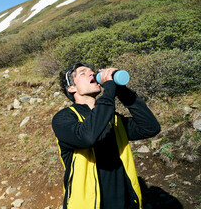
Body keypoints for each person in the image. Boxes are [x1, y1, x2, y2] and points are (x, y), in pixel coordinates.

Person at [52, 62, 161, 209]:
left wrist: (122, 91)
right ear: (71, 88)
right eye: (83, 73)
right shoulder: (64, 118)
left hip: (126, 203)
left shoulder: (112, 119)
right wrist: (108, 90)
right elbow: (87, 137)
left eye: (91, 71)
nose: (91, 73)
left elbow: (150, 128)